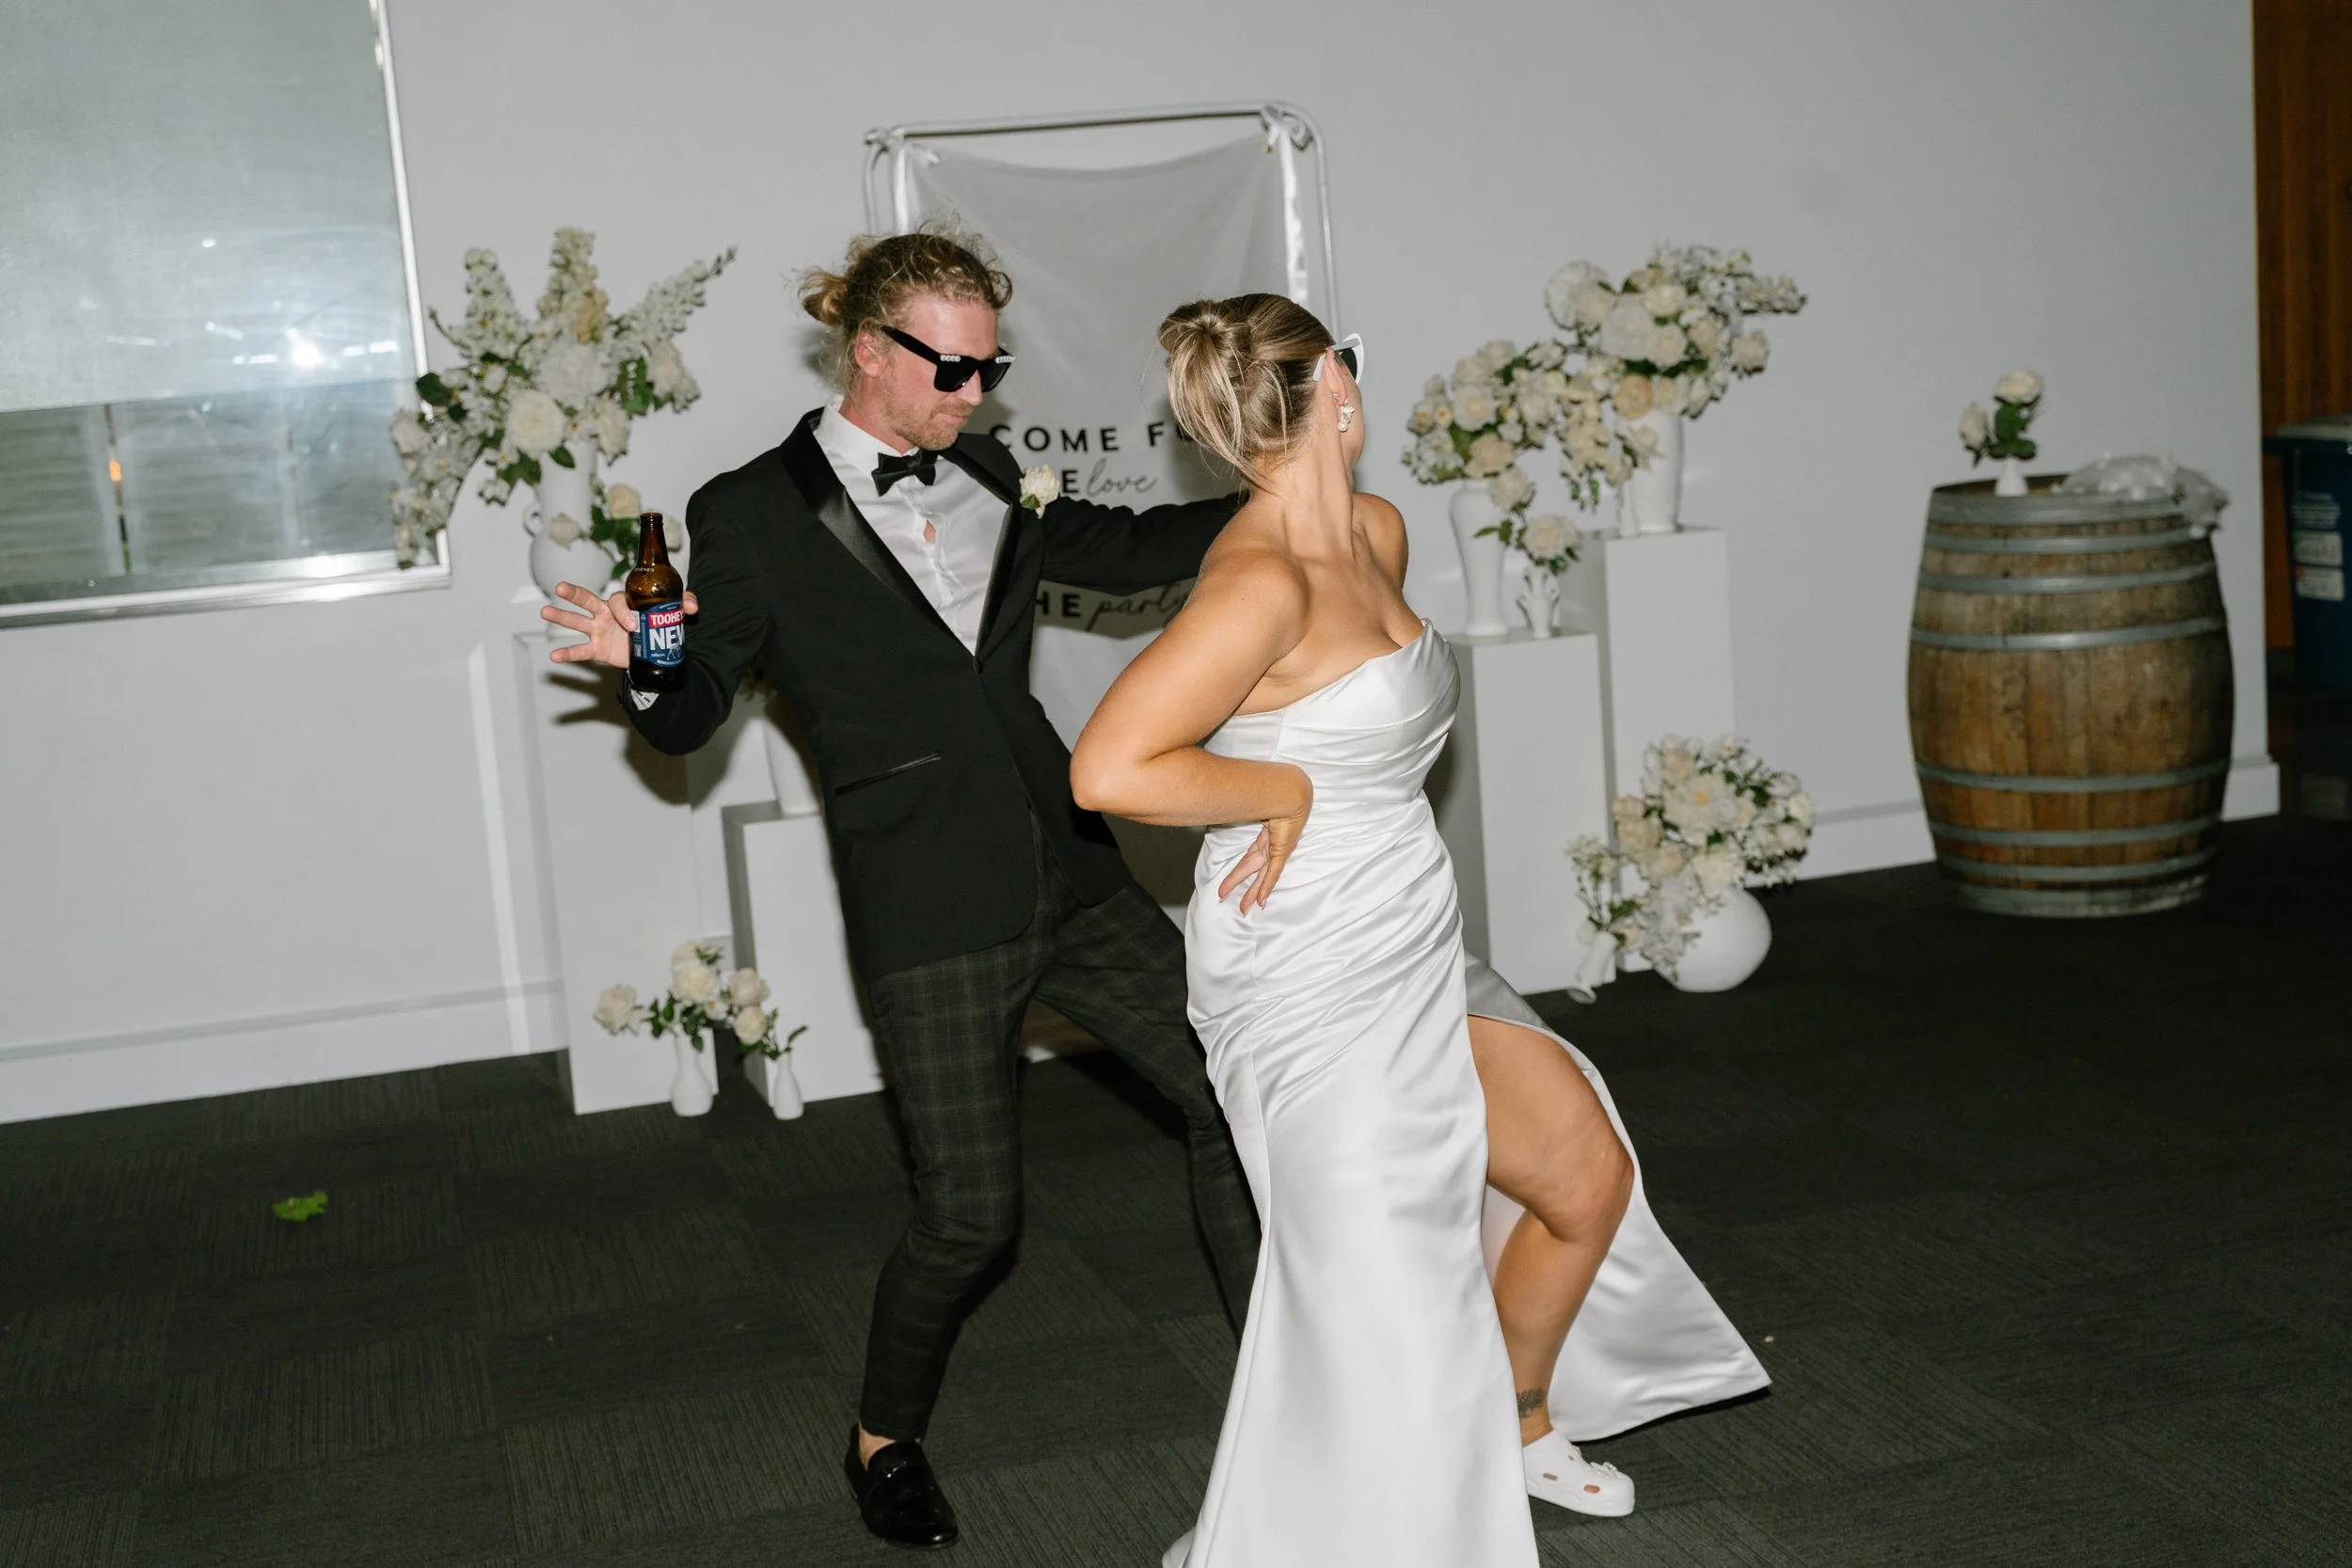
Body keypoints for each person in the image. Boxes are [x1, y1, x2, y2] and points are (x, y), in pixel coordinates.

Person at [538, 228, 1257, 1553]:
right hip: (928, 900)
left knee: (1233, 1094)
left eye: (991, 367)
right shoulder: (748, 512)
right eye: (950, 367)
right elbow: (693, 712)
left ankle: (1286, 1384)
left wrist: (1289, 491)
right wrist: (640, 661)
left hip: (1073, 864)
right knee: (972, 1216)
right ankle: (883, 1436)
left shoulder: (988, 464)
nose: (975, 395)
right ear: (866, 350)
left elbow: (1132, 542)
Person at [1071, 294, 1769, 1565]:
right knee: (1383, 1303)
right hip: (1303, 960)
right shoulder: (1257, 581)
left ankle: (1512, 1421)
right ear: (1335, 380)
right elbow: (1110, 767)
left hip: (1408, 919)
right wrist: (1278, 787)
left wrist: (1314, 784)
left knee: (1581, 1172)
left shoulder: (1375, 532)